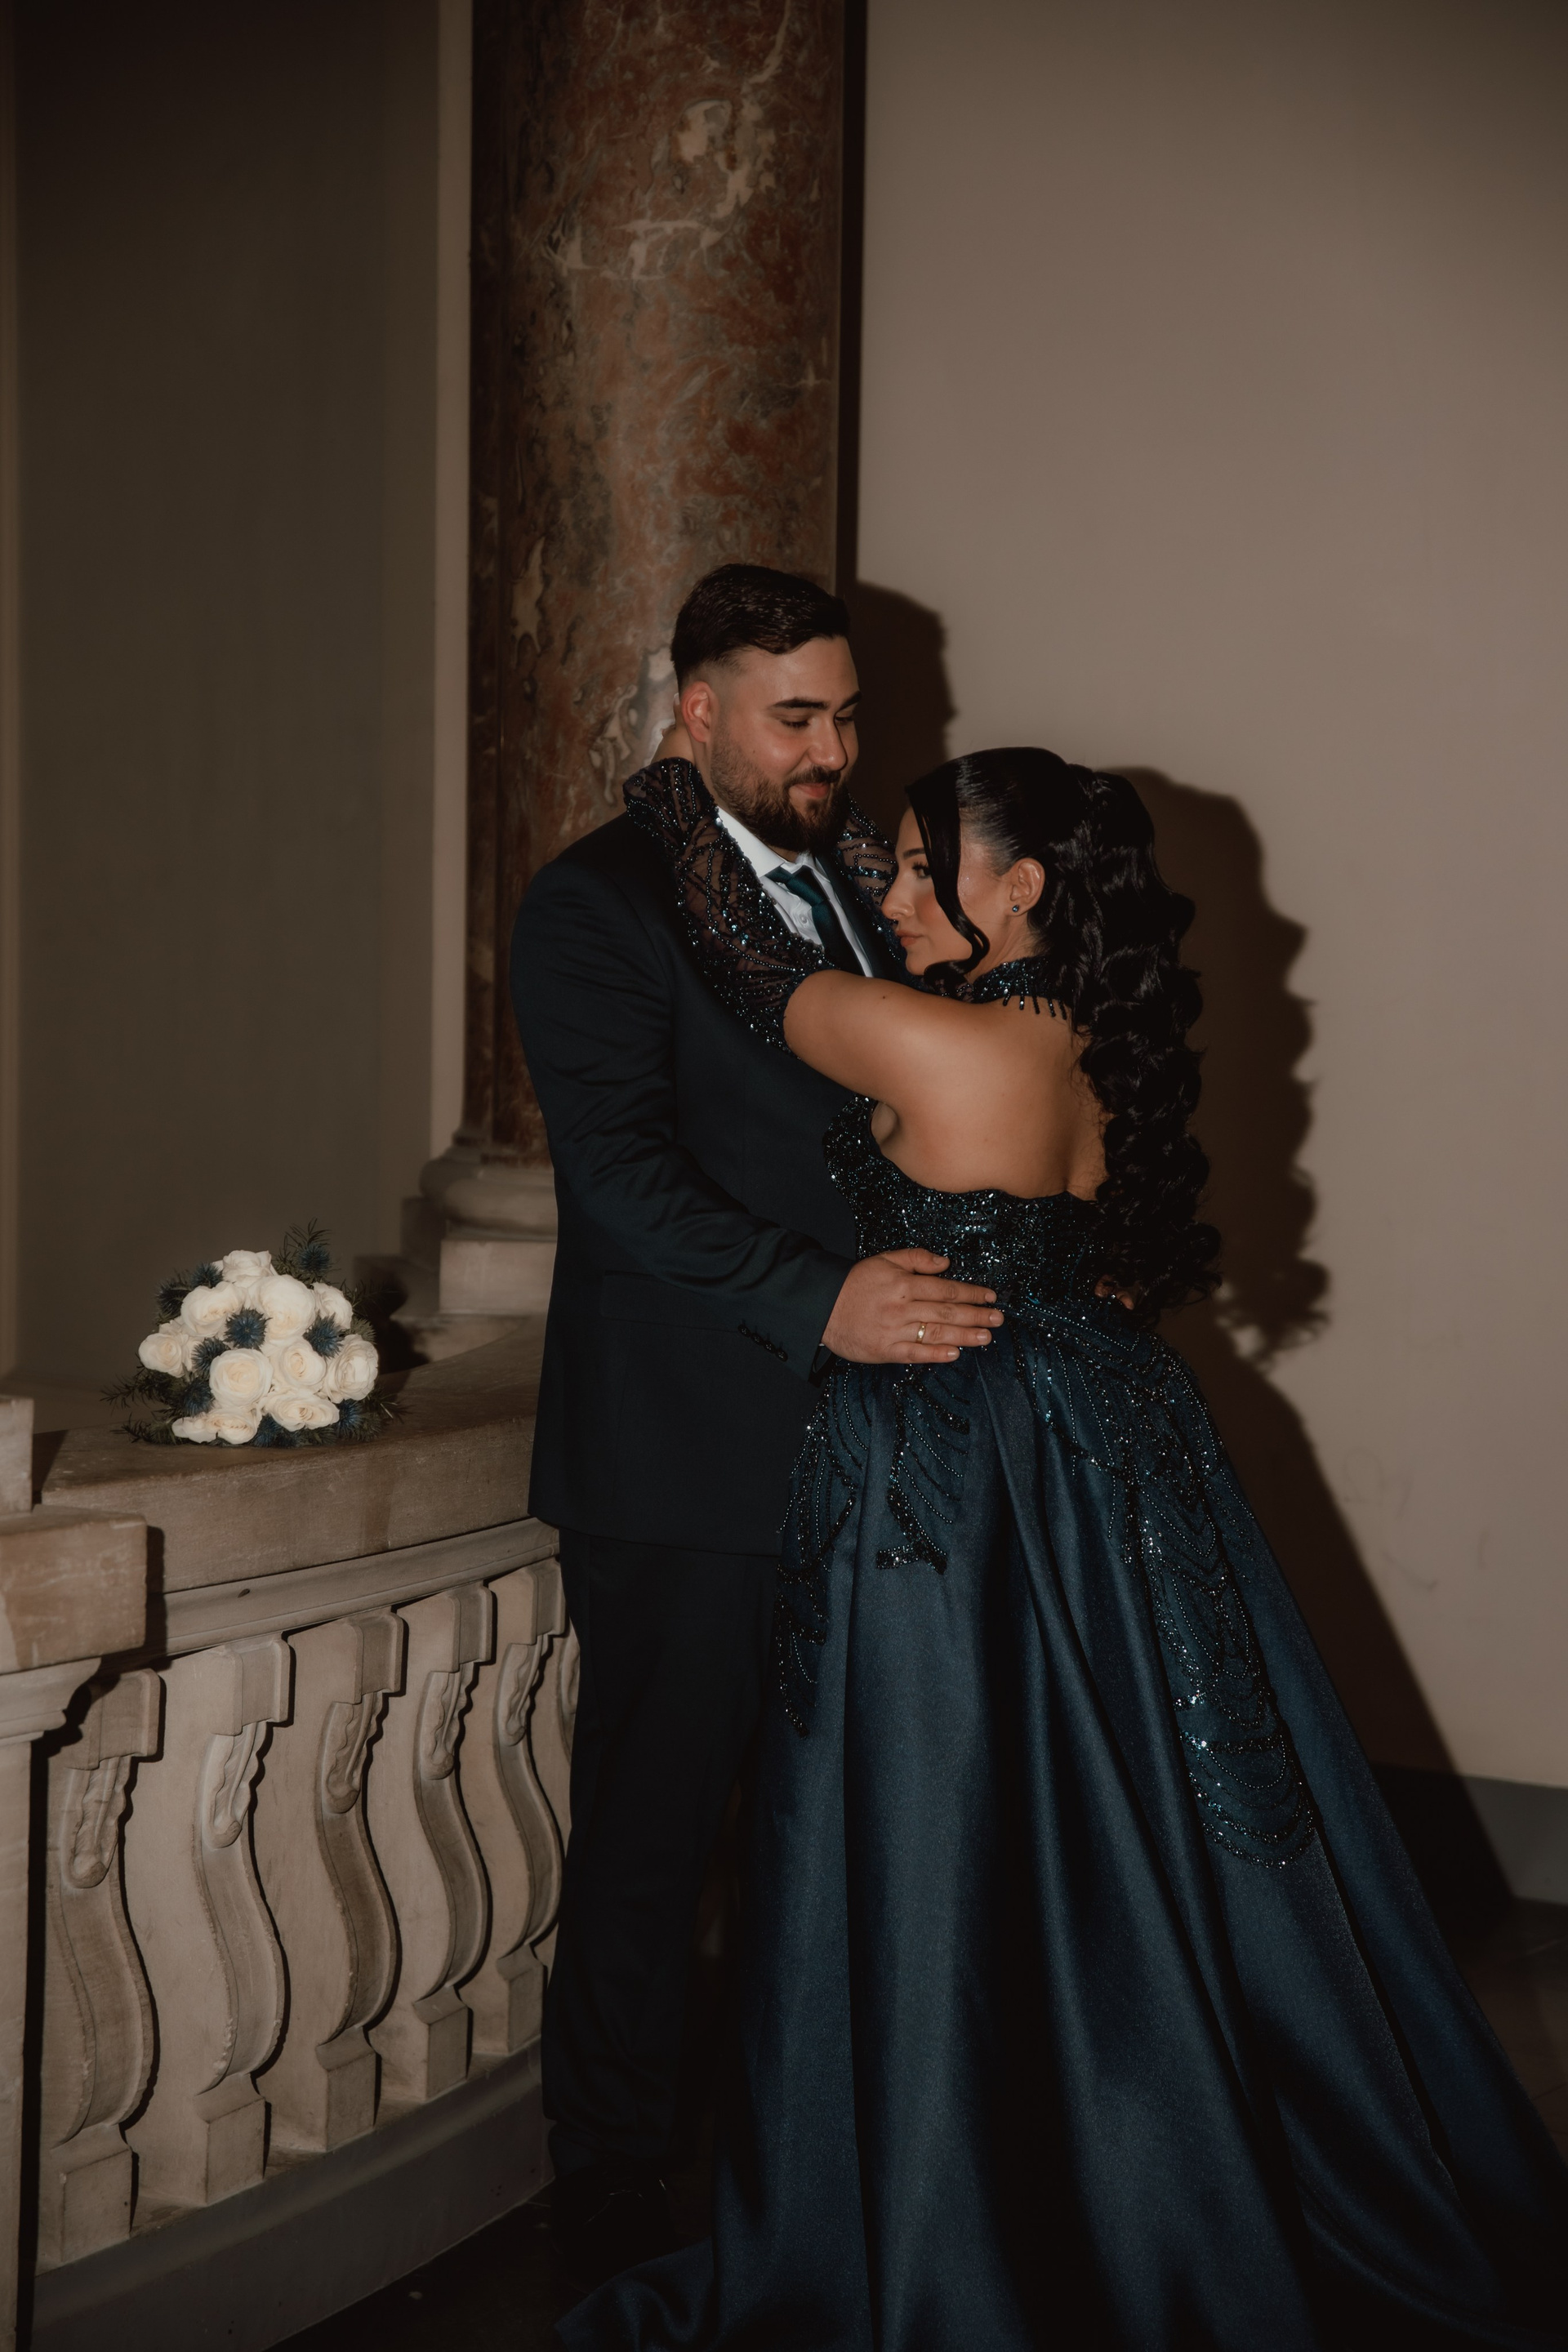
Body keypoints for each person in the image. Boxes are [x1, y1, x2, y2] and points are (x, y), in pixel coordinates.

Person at [558, 746, 1568, 2350]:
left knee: (948, 1829)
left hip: (955, 1466)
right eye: (889, 867)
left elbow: (754, 970)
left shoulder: (948, 1043)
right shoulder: (1087, 1041)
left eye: (920, 866)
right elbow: (1093, 1269)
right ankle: (1113, 2169)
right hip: (1105, 1444)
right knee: (1107, 1823)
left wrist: (688, 805)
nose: (893, 895)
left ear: (1020, 887)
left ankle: (966, 2227)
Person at [510, 566, 1002, 2287]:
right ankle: (606, 2181)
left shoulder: (873, 891)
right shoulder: (596, 903)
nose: (832, 749)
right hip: (681, 1460)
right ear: (699, 709)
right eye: (796, 717)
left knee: (839, 1831)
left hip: (879, 1450)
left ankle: (816, 2151)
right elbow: (622, 1178)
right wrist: (822, 1301)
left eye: (847, 714)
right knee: (655, 1838)